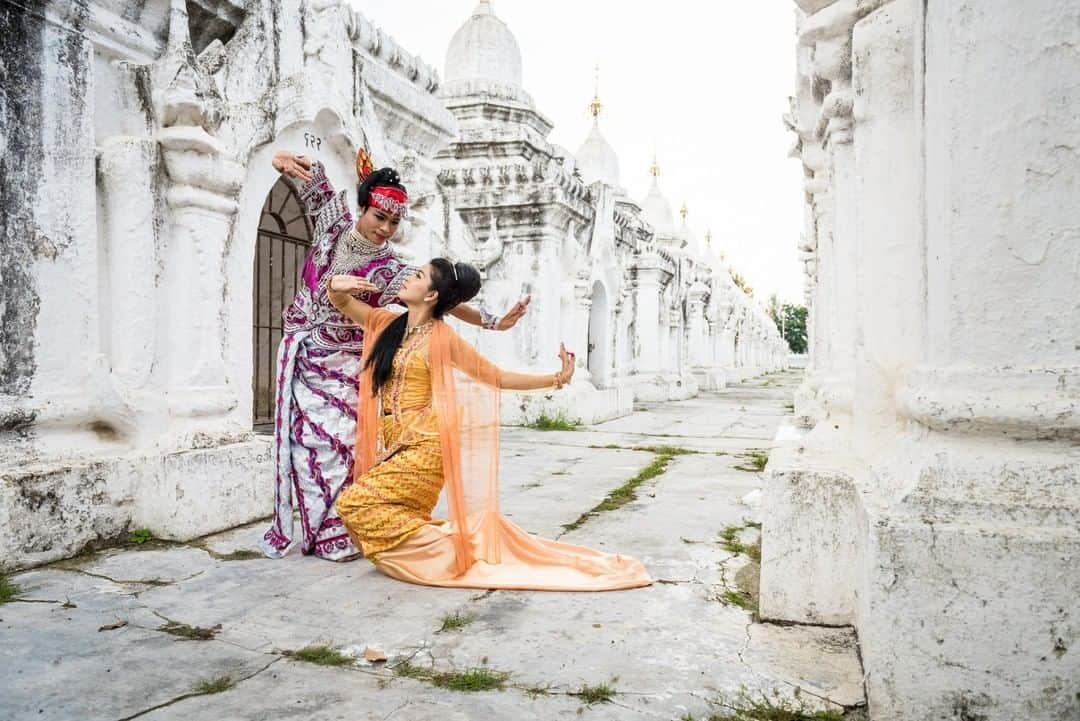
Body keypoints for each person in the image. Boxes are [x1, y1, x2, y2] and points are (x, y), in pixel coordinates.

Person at [260, 150, 530, 561]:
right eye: (378, 217)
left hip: (346, 364)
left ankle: (336, 529)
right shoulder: (332, 228)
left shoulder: (390, 270)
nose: (385, 228)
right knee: (304, 444)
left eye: (393, 222)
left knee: (340, 445)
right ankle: (311, 529)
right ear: (363, 208)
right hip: (302, 352)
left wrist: (493, 322)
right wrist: (285, 160)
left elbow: (445, 300)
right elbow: (314, 177)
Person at [328, 260, 652, 591]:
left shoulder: (441, 338)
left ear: (431, 296)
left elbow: (493, 376)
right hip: (391, 445)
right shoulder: (386, 324)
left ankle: (453, 557)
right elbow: (344, 304)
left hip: (427, 446)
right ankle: (443, 552)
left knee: (354, 503)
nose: (408, 278)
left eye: (418, 276)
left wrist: (555, 380)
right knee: (384, 512)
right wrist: (335, 288)